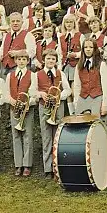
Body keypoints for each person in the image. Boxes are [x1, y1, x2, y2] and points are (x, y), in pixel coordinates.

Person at [35, 49, 71, 178]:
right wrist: (40, 94)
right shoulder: (37, 74)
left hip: (58, 107)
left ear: (56, 61)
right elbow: (32, 92)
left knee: (58, 137)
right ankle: (48, 168)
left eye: (53, 59)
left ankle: (58, 167)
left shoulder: (60, 73)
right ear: (44, 60)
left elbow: (68, 90)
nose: (50, 61)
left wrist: (59, 95)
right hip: (44, 108)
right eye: (48, 59)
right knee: (46, 137)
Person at [5, 51, 37, 177]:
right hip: (14, 109)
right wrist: (11, 101)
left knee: (27, 136)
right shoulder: (10, 75)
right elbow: (6, 92)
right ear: (15, 61)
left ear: (28, 61)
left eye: (24, 59)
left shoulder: (32, 75)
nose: (22, 61)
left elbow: (34, 92)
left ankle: (27, 165)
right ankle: (18, 164)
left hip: (27, 109)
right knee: (16, 136)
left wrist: (28, 103)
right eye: (19, 59)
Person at [73, 38, 107, 122]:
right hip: (83, 97)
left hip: (96, 97)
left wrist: (105, 105)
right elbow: (77, 86)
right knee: (80, 123)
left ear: (95, 49)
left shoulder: (101, 64)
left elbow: (106, 86)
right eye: (85, 47)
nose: (88, 49)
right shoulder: (79, 66)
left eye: (91, 47)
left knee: (95, 123)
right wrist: (76, 102)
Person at [58, 14, 84, 115]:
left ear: (74, 23)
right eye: (67, 22)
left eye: (71, 22)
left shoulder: (79, 35)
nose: (69, 24)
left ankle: (78, 112)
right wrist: (60, 68)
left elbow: (84, 51)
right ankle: (72, 113)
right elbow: (60, 54)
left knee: (74, 91)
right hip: (66, 67)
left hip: (76, 66)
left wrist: (75, 54)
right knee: (67, 92)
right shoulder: (61, 37)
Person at [0, 12, 36, 79]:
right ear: (10, 23)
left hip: (19, 68)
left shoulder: (28, 35)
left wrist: (18, 53)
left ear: (22, 22)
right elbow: (2, 48)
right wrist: (0, 55)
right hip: (4, 67)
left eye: (18, 21)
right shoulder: (7, 35)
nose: (15, 23)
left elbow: (32, 52)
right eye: (13, 21)